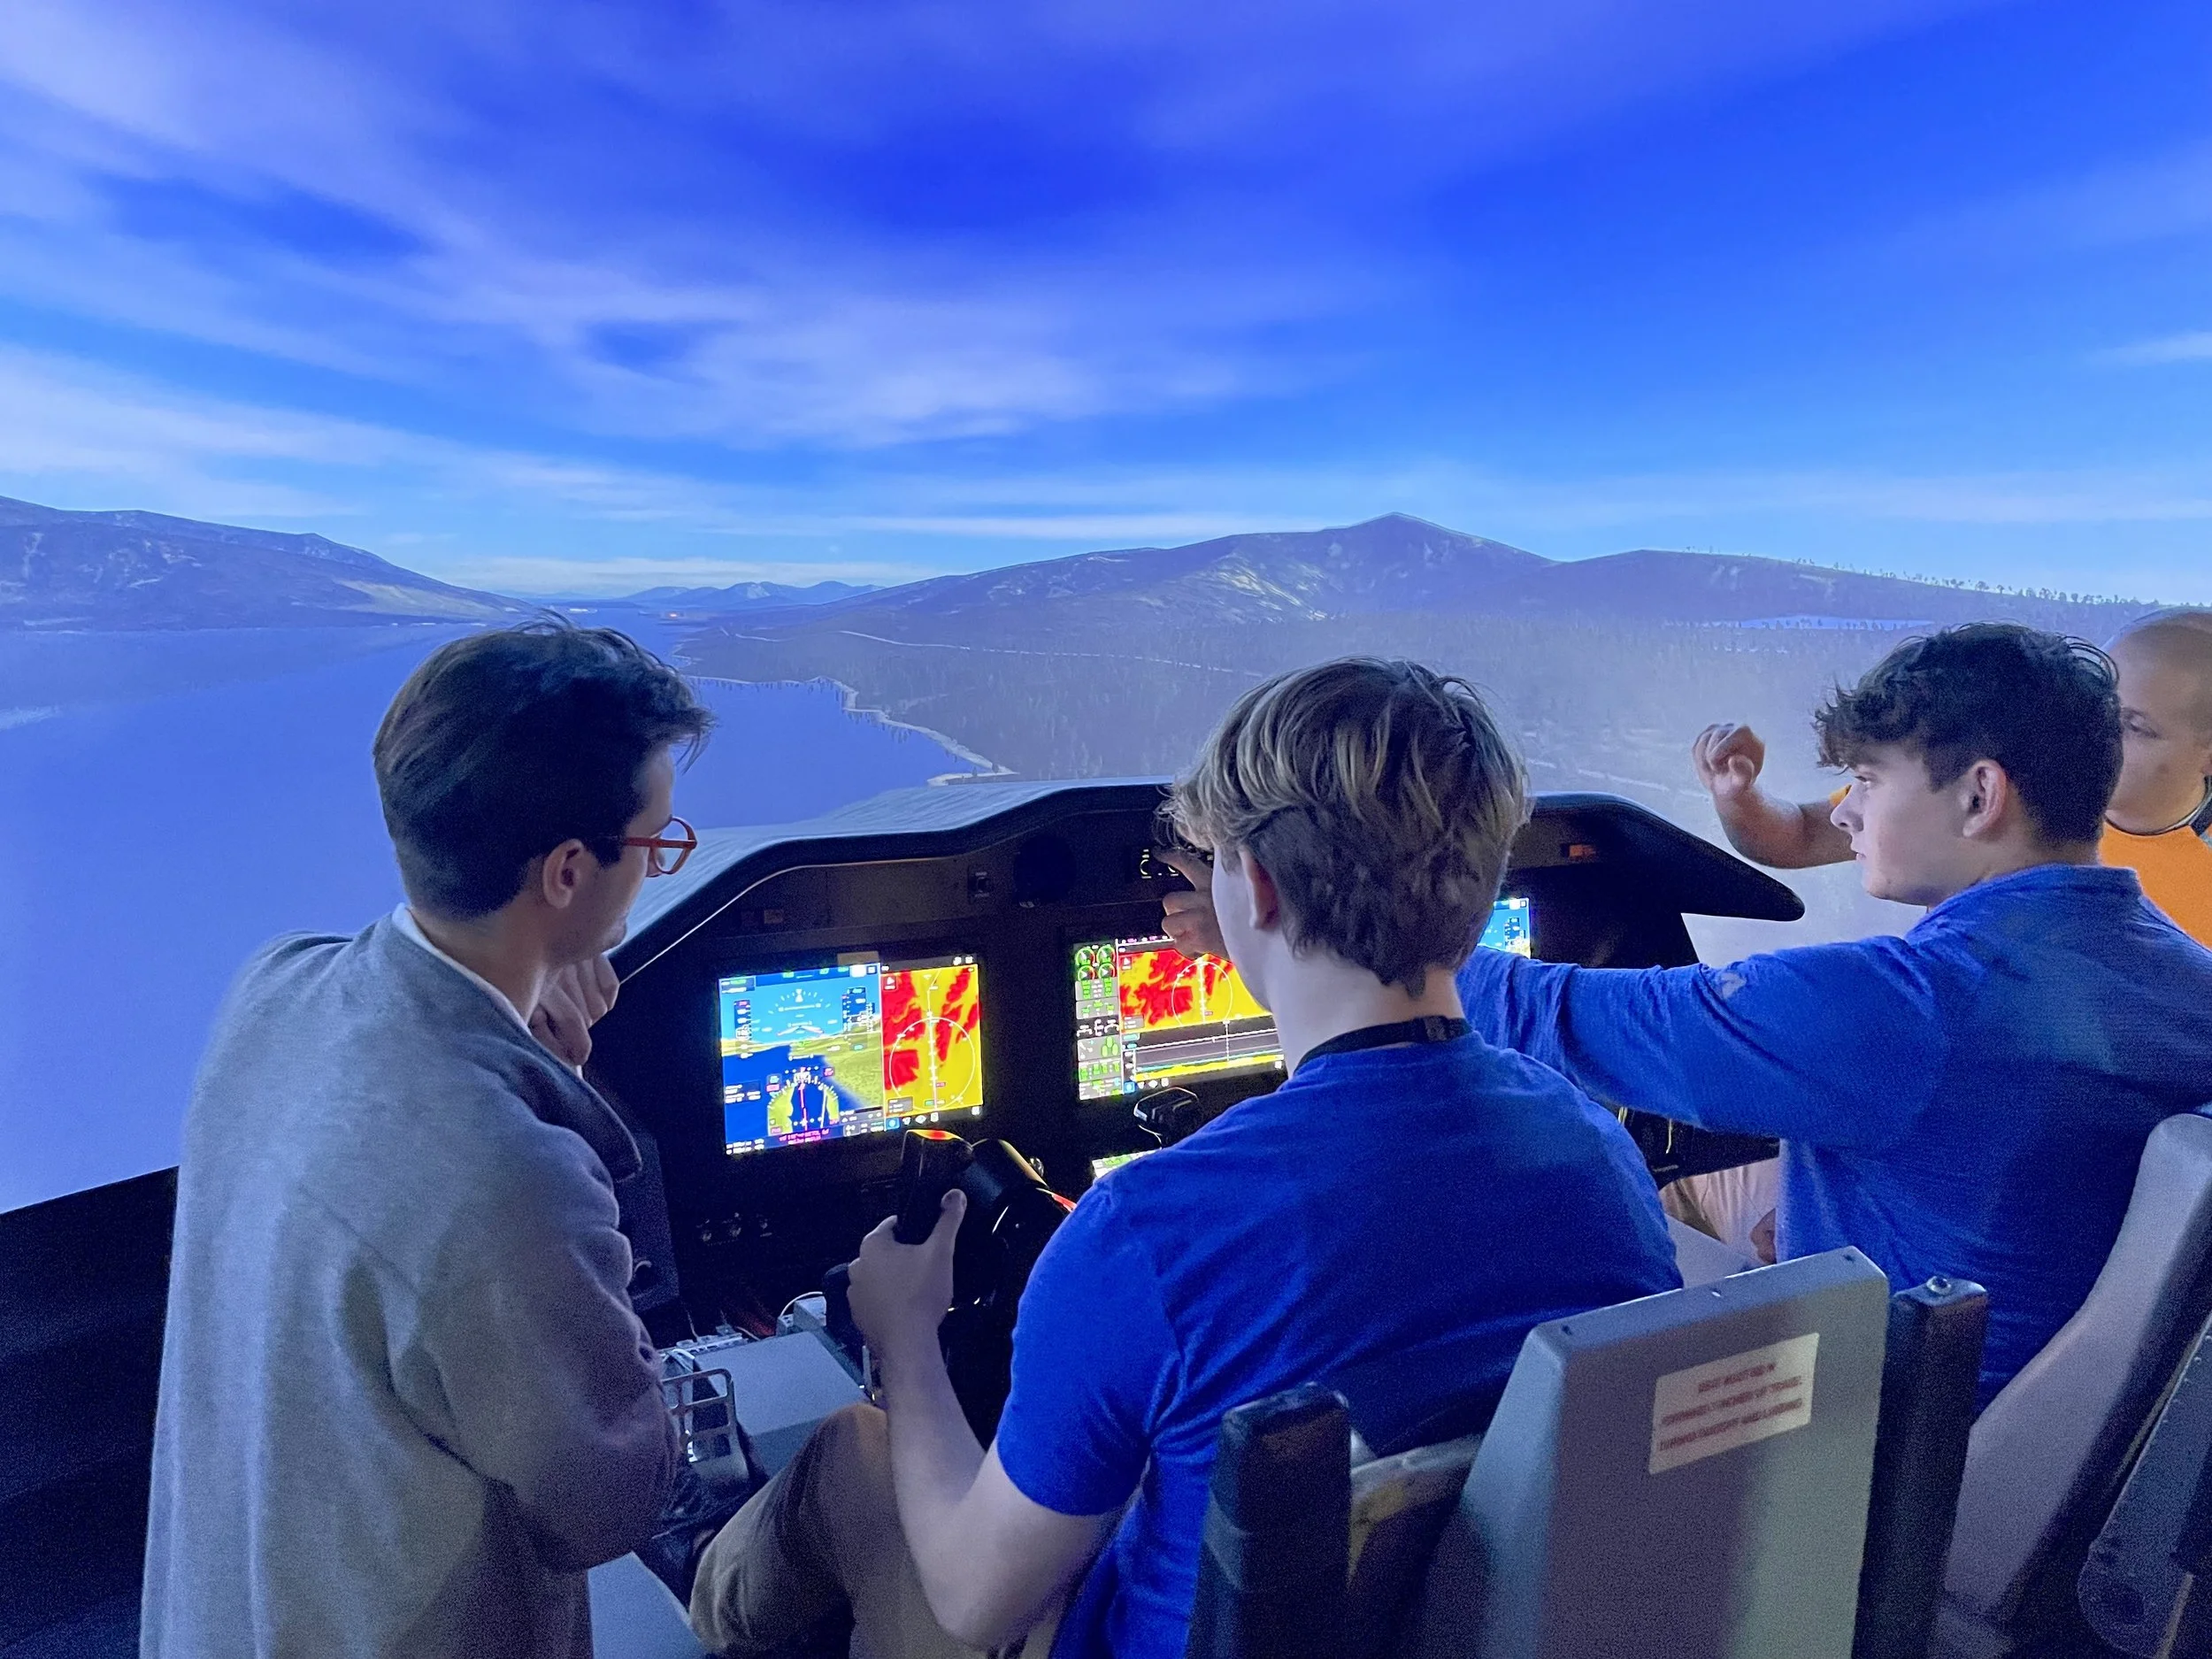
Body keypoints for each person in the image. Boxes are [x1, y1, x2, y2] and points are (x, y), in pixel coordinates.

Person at [684, 658, 1682, 1659]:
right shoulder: (1597, 1159)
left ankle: (691, 1599)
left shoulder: (1149, 1233)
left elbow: (975, 1601)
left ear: (1252, 885)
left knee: (856, 1452)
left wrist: (903, 1335)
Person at [1457, 624, 2212, 1409]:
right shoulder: (2190, 980)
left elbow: (1558, 1011)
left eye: (1868, 782)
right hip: (2055, 1446)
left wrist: (1389, 939)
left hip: (1872, 1454)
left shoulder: (1912, 1006)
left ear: (1981, 796)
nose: (1847, 816)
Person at [142, 622, 713, 1659]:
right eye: (660, 845)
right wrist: (563, 1107)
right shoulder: (507, 1176)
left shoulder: (272, 987)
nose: (662, 869)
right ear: (570, 872)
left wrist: (535, 1019)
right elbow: (610, 1506)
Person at [1694, 609, 2212, 946]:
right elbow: (1800, 837)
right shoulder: (2020, 775)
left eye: (2134, 726)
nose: (2096, 727)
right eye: (2096, 699)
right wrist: (1738, 798)